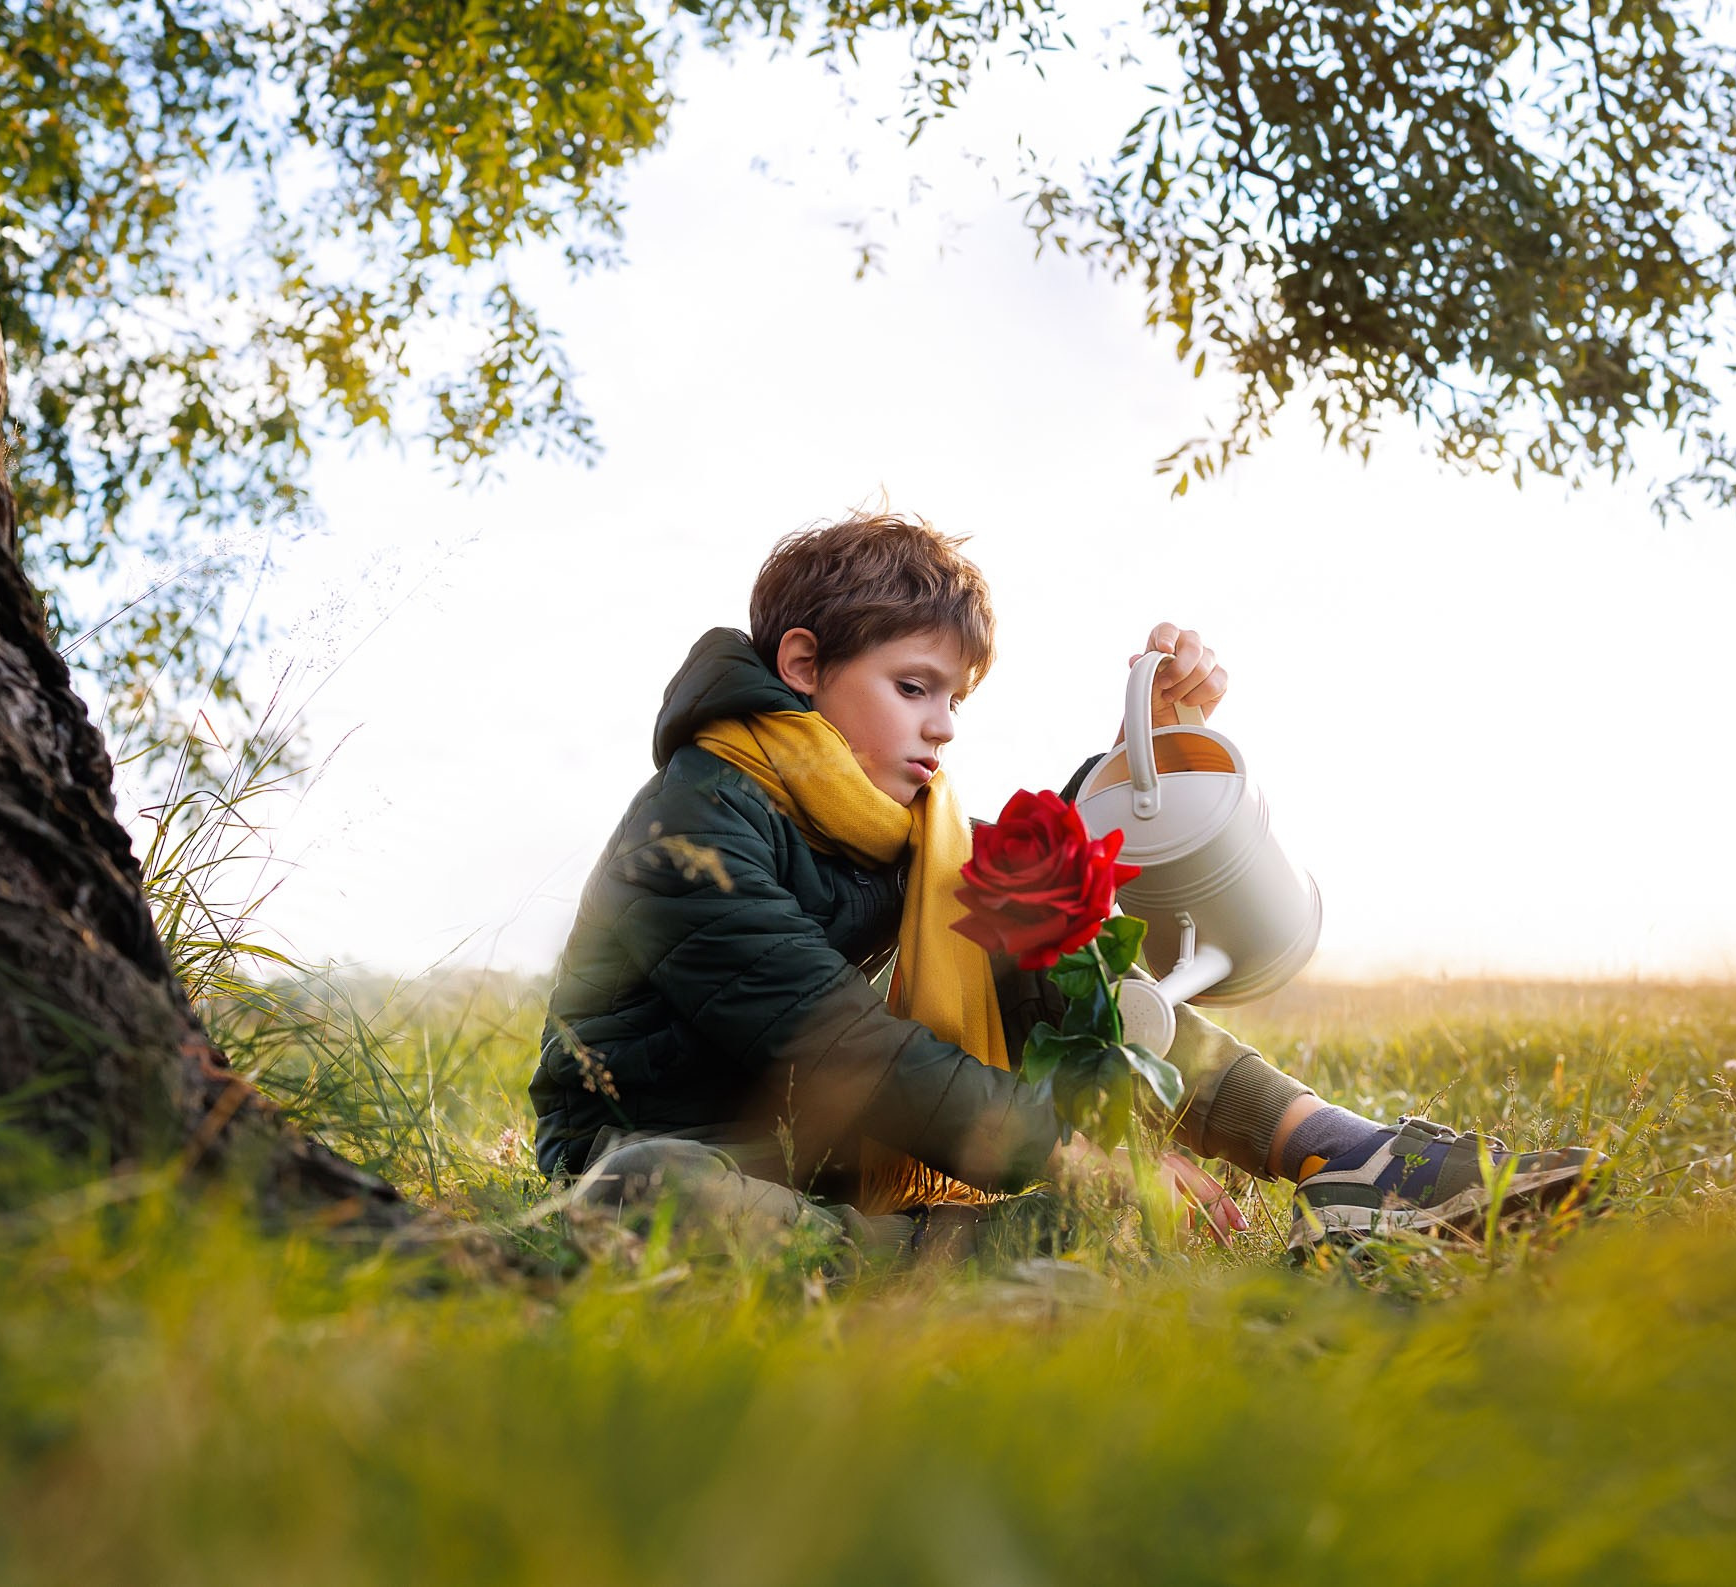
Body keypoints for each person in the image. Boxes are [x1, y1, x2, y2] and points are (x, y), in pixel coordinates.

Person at [528, 512, 1604, 1258]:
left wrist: (1144, 758)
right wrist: (1090, 1166)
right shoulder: (689, 832)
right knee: (648, 1192)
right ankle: (965, 1247)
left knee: (1032, 916)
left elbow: (1028, 865)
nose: (944, 726)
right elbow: (846, 1047)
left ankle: (1351, 1158)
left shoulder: (884, 811)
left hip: (811, 1132)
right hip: (685, 1140)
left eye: (954, 697)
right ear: (804, 667)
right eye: (914, 687)